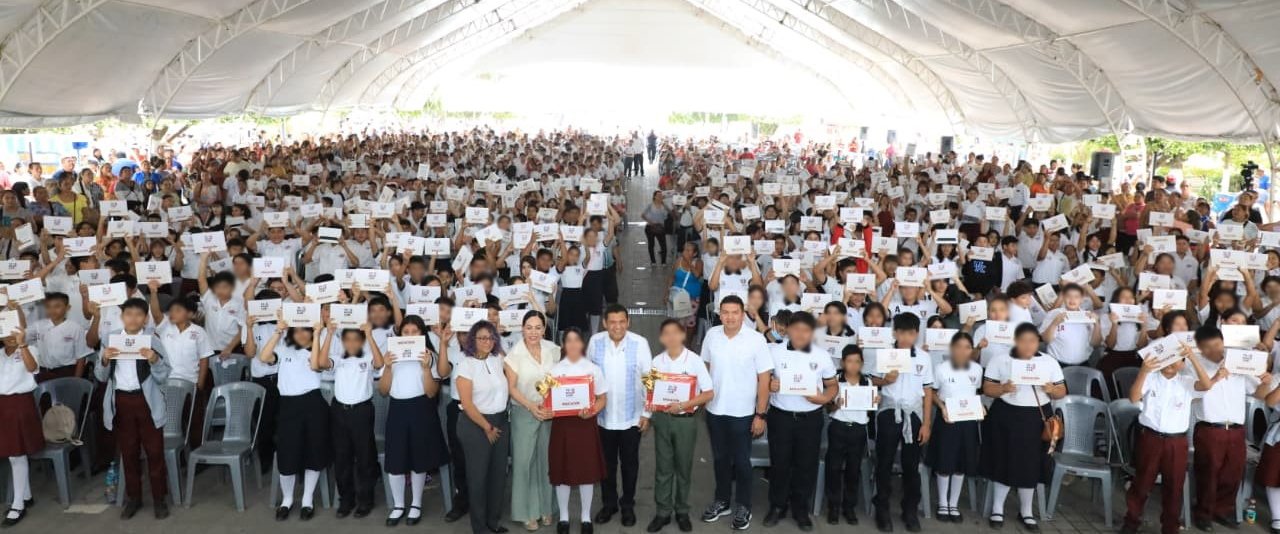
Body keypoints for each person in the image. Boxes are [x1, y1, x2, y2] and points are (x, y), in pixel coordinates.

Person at [980, 323, 1067, 531]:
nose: (1028, 345)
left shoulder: (1049, 362)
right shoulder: (1001, 359)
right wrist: (1003, 388)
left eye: (1033, 340)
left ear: (1038, 342)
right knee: (1003, 460)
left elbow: (1062, 391)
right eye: (1024, 340)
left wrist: (1051, 389)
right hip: (1006, 416)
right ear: (1015, 341)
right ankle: (997, 508)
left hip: (1037, 418)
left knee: (1032, 464)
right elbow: (987, 388)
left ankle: (1026, 511)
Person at [1121, 342, 1215, 534]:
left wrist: (1192, 358)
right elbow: (1133, 397)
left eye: (1177, 359)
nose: (1171, 363)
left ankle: (1170, 527)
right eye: (1168, 358)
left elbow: (1206, 385)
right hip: (1150, 438)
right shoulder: (1151, 378)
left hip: (1176, 441)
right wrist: (1144, 371)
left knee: (1174, 487)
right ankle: (1131, 522)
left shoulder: (1186, 381)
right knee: (1141, 483)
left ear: (1182, 363)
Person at [94, 298, 172, 520]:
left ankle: (159, 499)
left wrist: (154, 359)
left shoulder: (151, 340)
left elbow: (165, 375)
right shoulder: (111, 339)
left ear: (145, 318)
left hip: (146, 402)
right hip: (121, 401)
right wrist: (104, 360)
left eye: (139, 315)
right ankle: (134, 498)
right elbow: (100, 376)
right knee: (128, 453)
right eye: (129, 314)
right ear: (122, 317)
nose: (133, 319)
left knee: (155, 452)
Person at [700, 295, 772, 530]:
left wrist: (760, 414)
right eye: (725, 312)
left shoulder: (755, 340)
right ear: (719, 314)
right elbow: (706, 369)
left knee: (742, 461)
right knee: (720, 459)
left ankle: (743, 505)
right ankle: (722, 500)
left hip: (743, 413)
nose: (729, 317)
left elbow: (764, 379)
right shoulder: (712, 336)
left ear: (743, 314)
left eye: (735, 312)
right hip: (715, 410)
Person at [763, 311, 838, 530]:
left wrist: (822, 398)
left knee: (806, 465)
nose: (800, 334)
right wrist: (769, 385)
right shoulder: (773, 352)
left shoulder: (821, 355)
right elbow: (760, 380)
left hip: (810, 419)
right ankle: (777, 506)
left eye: (806, 330)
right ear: (787, 330)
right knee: (780, 463)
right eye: (796, 329)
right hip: (781, 417)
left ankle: (800, 508)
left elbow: (832, 385)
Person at [1190, 326, 1264, 530]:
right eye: (1208, 347)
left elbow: (1258, 392)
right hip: (1210, 428)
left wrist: (1264, 380)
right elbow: (1196, 391)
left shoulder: (1238, 365)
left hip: (1236, 429)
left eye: (1217, 344)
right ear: (1201, 349)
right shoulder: (1197, 366)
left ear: (1224, 342)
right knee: (1208, 472)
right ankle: (1203, 513)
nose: (1214, 350)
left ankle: (1222, 510)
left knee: (1232, 473)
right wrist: (1216, 376)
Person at [378, 315, 449, 526]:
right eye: (405, 332)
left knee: (420, 459)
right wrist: (388, 367)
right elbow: (383, 390)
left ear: (422, 334)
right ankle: (399, 505)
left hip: (422, 409)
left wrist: (426, 368)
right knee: (395, 460)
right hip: (398, 409)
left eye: (414, 332)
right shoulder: (390, 356)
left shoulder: (429, 356)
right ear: (399, 334)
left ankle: (416, 503)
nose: (409, 336)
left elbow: (431, 392)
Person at [258, 313, 330, 521]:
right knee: (287, 454)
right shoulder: (283, 349)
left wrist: (318, 335)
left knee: (313, 452)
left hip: (313, 404)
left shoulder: (316, 351)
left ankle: (307, 499)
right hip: (289, 406)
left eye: (305, 331)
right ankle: (287, 499)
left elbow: (316, 365)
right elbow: (263, 358)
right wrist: (278, 331)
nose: (300, 335)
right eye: (296, 330)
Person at [586, 304, 652, 526]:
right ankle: (609, 504)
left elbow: (649, 379)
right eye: (612, 322)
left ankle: (627, 505)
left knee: (630, 465)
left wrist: (647, 413)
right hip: (602, 418)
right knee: (606, 465)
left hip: (631, 418)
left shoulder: (640, 343)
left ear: (628, 322)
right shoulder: (595, 343)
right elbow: (588, 377)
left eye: (622, 321)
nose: (617, 326)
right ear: (605, 323)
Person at [646, 319, 714, 533]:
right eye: (666, 333)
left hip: (686, 421)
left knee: (683, 467)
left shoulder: (693, 361)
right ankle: (663, 512)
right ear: (661, 338)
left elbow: (709, 392)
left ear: (683, 335)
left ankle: (682, 511)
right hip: (662, 420)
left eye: (675, 333)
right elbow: (649, 392)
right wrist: (647, 415)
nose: (671, 337)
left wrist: (685, 404)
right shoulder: (657, 361)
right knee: (663, 467)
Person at [868, 313, 934, 532]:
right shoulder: (885, 354)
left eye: (911, 333)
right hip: (889, 411)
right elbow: (871, 380)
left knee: (911, 463)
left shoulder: (923, 357)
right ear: (894, 332)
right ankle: (882, 507)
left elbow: (927, 391)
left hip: (913, 414)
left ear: (917, 334)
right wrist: (885, 380)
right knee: (884, 461)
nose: (906, 337)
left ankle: (910, 509)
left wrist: (926, 424)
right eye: (902, 332)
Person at [316, 322, 383, 519]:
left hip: (362, 411)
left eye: (356, 339)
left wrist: (370, 335)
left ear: (362, 342)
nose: (352, 343)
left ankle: (365, 500)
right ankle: (346, 500)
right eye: (347, 340)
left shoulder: (368, 357)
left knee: (365, 457)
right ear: (342, 342)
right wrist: (329, 335)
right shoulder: (338, 359)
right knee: (342, 457)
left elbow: (379, 364)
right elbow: (321, 363)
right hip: (339, 411)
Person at [548, 327, 608, 534]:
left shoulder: (593, 369)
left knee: (586, 471)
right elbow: (545, 398)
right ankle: (564, 517)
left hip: (585, 424)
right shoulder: (554, 370)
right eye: (569, 341)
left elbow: (602, 398)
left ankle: (585, 517)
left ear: (583, 344)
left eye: (577, 340)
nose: (573, 345)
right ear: (563, 344)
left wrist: (592, 411)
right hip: (562, 426)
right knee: (562, 470)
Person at [504, 311, 560, 531]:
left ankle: (546, 508)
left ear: (544, 329)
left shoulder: (552, 350)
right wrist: (531, 406)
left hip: (548, 413)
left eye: (538, 327)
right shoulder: (514, 355)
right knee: (524, 463)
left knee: (546, 461)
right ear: (522, 328)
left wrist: (551, 406)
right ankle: (526, 512)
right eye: (529, 327)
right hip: (524, 413)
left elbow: (559, 380)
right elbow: (512, 388)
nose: (533, 332)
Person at [454, 320, 511, 534]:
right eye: (482, 338)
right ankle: (479, 527)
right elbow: (467, 404)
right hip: (476, 424)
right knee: (478, 477)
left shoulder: (499, 358)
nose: (487, 341)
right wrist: (487, 427)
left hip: (500, 421)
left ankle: (493, 521)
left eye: (490, 337)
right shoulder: (466, 364)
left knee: (498, 475)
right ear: (472, 340)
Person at [926, 332, 983, 522]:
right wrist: (942, 407)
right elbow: (932, 393)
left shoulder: (977, 369)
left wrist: (981, 406)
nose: (962, 350)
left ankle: (953, 503)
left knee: (961, 465)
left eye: (967, 346)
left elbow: (975, 394)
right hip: (947, 419)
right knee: (945, 463)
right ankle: (942, 503)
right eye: (958, 346)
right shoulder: (941, 368)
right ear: (952, 348)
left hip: (968, 421)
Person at [824, 345, 872, 525]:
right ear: (843, 362)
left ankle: (849, 507)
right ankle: (833, 506)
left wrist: (874, 401)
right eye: (849, 361)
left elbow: (869, 408)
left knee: (853, 469)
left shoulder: (867, 382)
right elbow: (828, 406)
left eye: (857, 361)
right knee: (833, 468)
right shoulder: (835, 380)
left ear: (862, 363)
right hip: (838, 427)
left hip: (858, 430)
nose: (853, 365)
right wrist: (836, 404)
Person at [0, 326, 41, 528]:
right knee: (12, 453)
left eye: (13, 332)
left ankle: (18, 505)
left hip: (20, 404)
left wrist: (22, 344)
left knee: (17, 454)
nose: (10, 337)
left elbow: (33, 368)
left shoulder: (29, 349)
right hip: (2, 405)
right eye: (5, 333)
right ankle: (26, 495)